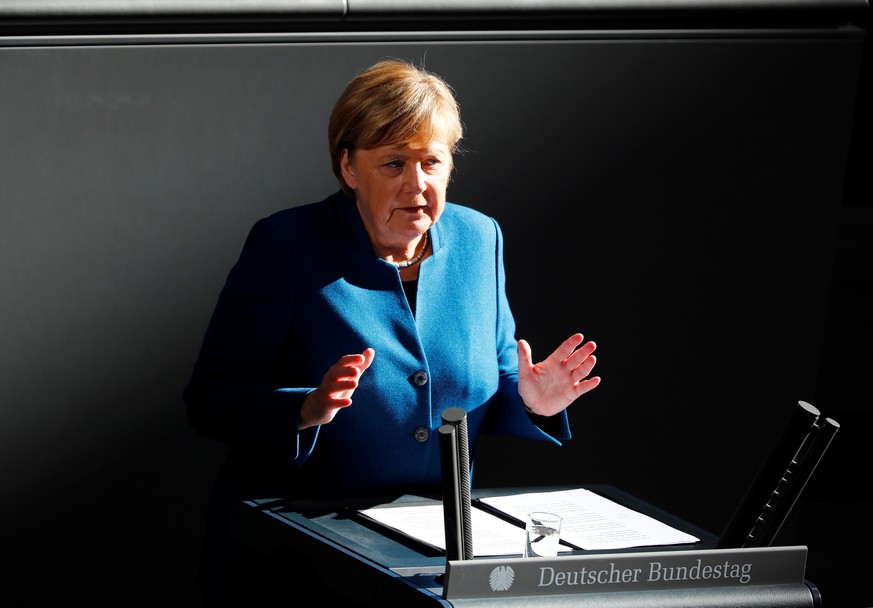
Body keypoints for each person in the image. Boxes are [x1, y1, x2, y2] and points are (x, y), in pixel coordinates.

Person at [183, 57, 601, 605]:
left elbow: (491, 381)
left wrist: (530, 399)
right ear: (349, 167)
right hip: (296, 559)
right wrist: (306, 409)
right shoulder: (287, 247)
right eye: (393, 164)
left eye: (432, 162)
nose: (417, 184)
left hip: (429, 563)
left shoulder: (479, 240)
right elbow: (210, 400)